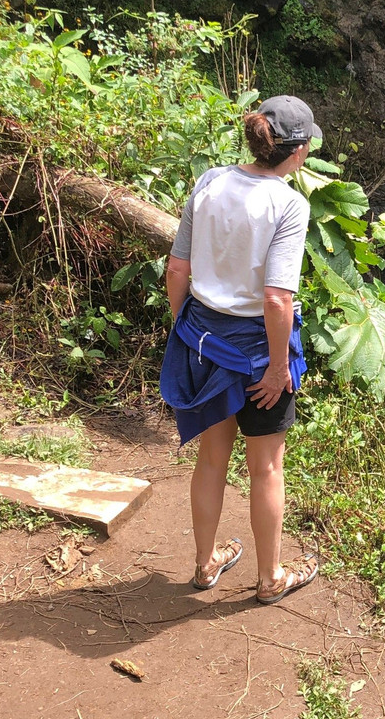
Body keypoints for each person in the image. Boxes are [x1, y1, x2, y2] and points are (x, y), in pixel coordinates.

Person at [159, 95, 320, 605]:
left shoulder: (210, 181)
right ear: (296, 152)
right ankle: (270, 576)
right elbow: (276, 298)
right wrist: (277, 368)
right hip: (255, 351)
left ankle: (206, 564)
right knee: (267, 468)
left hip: (203, 341)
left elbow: (177, 269)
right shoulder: (289, 204)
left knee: (211, 459)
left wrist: (185, 328)